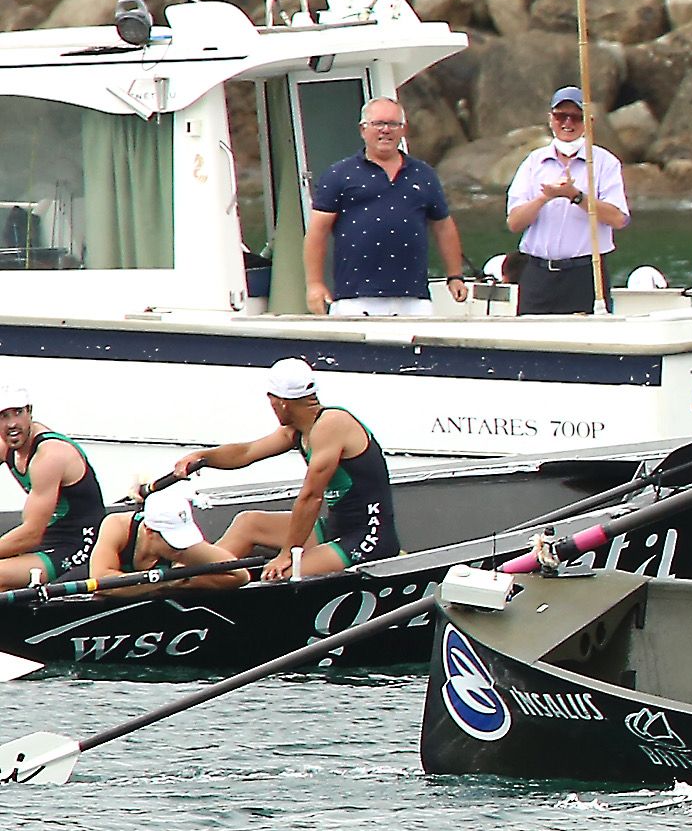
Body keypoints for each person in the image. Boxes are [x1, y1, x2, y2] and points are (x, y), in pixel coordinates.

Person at [162, 359, 397, 582]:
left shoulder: (332, 424)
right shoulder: (298, 428)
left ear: (281, 401)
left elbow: (311, 497)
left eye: (271, 400)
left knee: (281, 574)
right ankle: (195, 575)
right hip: (335, 527)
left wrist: (287, 554)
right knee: (248, 523)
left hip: (369, 536)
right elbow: (247, 452)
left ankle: (197, 583)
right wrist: (202, 457)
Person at [305, 96, 467, 316]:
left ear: (403, 130)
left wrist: (455, 275)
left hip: (414, 297)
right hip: (356, 298)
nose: (386, 130)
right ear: (363, 129)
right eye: (378, 124)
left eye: (393, 124)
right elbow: (317, 231)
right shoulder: (338, 174)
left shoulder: (424, 174)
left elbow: (443, 226)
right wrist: (315, 284)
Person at [503, 86, 630, 316]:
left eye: (576, 117)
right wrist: (545, 197)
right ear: (551, 119)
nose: (568, 123)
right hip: (538, 273)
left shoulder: (604, 163)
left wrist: (576, 196)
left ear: (587, 122)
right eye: (561, 116)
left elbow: (618, 218)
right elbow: (514, 223)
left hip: (585, 274)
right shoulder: (534, 162)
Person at [0, 388, 111, 592]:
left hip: (79, 543)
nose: (12, 424)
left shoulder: (50, 455)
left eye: (18, 413)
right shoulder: (5, 445)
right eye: (3, 417)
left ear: (29, 412)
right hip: (48, 536)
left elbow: (31, 534)